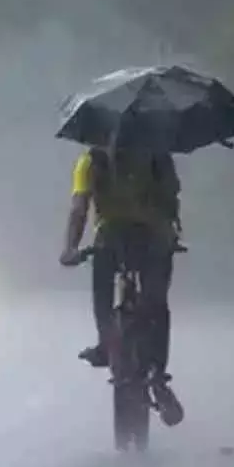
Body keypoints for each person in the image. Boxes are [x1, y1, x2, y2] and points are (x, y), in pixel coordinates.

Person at [59, 137, 184, 426]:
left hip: (112, 239)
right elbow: (172, 199)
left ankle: (106, 342)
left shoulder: (91, 160)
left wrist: (70, 248)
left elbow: (80, 208)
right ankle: (157, 373)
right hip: (154, 239)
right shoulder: (158, 155)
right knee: (156, 303)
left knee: (102, 290)